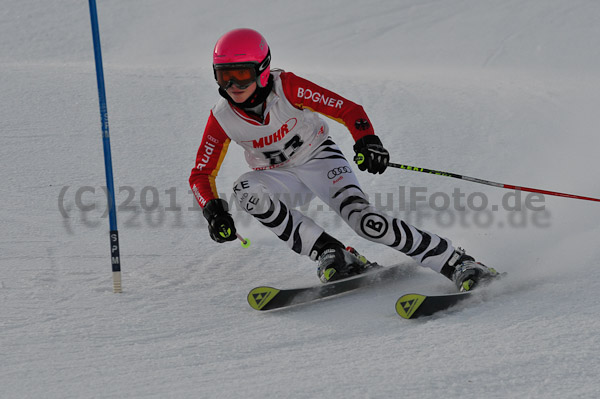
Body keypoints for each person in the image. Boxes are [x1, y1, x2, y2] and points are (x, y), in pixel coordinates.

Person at [189, 28, 500, 291]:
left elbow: (349, 110)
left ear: (261, 70)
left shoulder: (289, 87)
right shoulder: (222, 117)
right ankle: (332, 253)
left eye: (241, 76)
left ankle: (456, 261)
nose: (232, 87)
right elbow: (200, 174)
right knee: (245, 190)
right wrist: (213, 210)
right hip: (279, 176)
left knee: (366, 222)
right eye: (224, 77)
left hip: (320, 160)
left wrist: (367, 140)